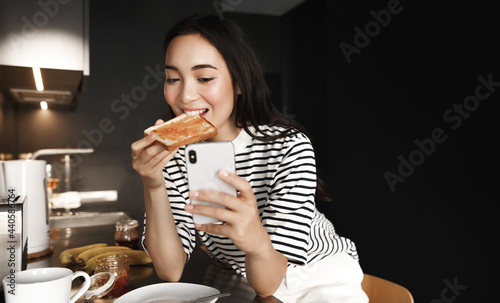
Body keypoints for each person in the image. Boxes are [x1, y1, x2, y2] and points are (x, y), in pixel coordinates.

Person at [131, 14, 368, 302]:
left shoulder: (288, 146)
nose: (185, 95)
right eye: (172, 78)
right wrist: (153, 185)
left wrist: (255, 238)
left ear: (239, 83)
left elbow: (269, 282)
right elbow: (170, 270)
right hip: (245, 280)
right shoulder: (175, 156)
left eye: (204, 78)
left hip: (317, 276)